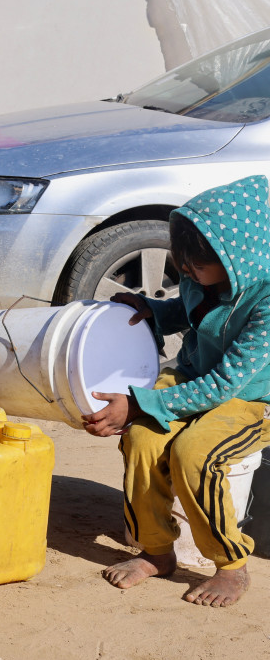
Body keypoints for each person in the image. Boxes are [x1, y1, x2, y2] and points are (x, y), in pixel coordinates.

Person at [84, 174, 270, 607]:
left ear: (237, 258)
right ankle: (156, 551)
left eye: (195, 266)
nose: (186, 272)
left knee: (193, 454)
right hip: (191, 376)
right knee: (143, 437)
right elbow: (192, 314)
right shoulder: (200, 275)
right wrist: (154, 310)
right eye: (182, 265)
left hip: (250, 398)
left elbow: (226, 383)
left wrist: (138, 402)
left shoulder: (266, 302)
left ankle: (230, 566)